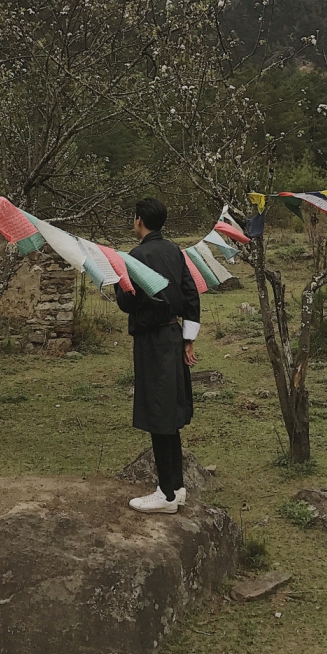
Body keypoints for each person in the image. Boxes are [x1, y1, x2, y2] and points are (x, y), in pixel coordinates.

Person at [114, 197, 200, 514]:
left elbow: (127, 301)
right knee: (170, 411)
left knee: (159, 411)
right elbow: (191, 294)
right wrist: (188, 339)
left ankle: (166, 495)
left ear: (139, 220)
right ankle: (176, 486)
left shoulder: (137, 256)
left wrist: (118, 281)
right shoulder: (175, 251)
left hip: (152, 339)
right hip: (174, 335)